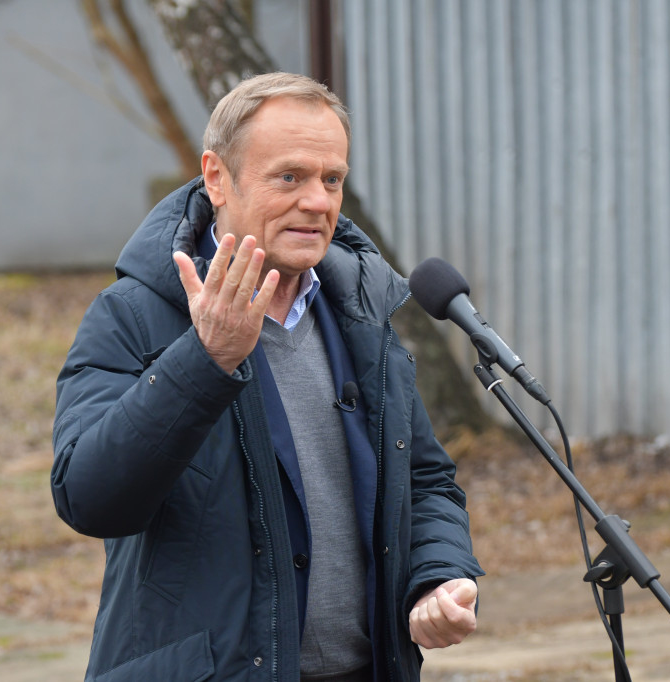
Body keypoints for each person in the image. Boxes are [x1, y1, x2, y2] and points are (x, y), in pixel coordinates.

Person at [51, 72, 484, 682]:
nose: (318, 201)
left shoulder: (359, 312)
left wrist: (437, 576)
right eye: (290, 177)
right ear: (217, 177)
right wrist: (205, 361)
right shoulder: (132, 314)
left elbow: (425, 479)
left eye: (332, 179)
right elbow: (89, 498)